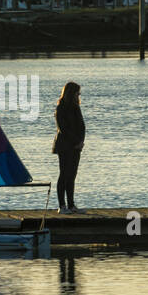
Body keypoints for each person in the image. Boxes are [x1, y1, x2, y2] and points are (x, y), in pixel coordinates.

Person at [52, 81, 86, 214]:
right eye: (77, 93)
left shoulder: (76, 107)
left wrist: (81, 141)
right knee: (64, 174)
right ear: (71, 93)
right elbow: (63, 129)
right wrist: (76, 141)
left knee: (72, 175)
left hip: (76, 146)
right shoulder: (60, 108)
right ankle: (62, 205)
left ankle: (71, 205)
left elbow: (82, 126)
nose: (79, 95)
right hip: (64, 146)